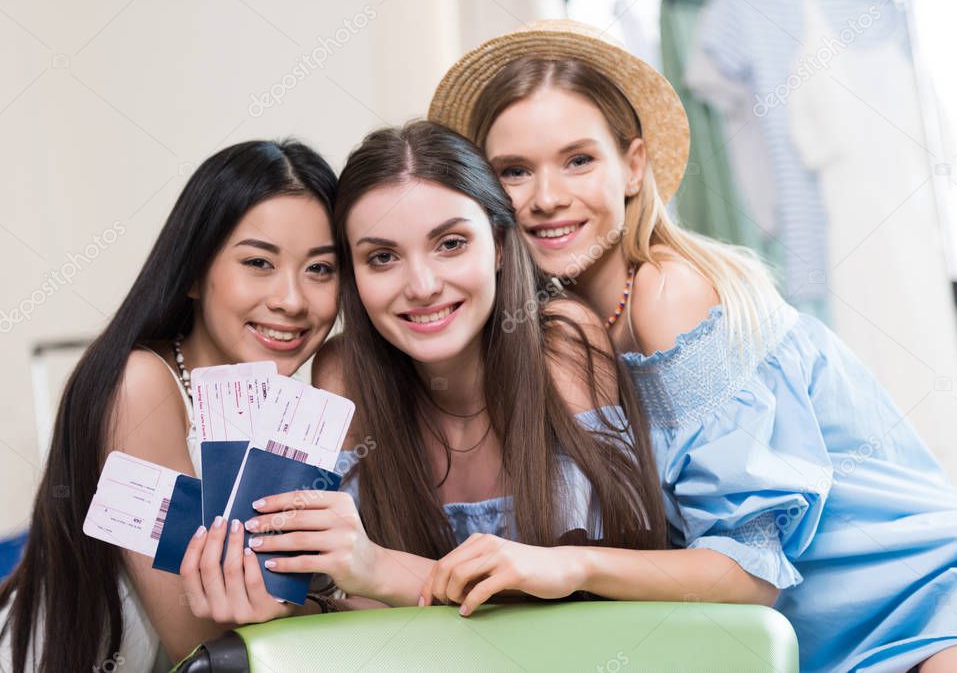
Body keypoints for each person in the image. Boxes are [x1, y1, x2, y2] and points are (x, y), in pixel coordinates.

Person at [428, 19, 957, 673]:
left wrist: (567, 565)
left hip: (931, 595)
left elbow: (750, 570)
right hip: (804, 647)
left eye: (578, 160)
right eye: (514, 171)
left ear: (631, 166)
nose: (546, 197)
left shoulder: (667, 292)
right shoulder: (552, 336)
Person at [199, 121, 694, 618]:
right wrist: (281, 609)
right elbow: (369, 616)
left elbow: (592, 601)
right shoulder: (344, 372)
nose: (422, 285)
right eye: (382, 257)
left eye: (451, 244)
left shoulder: (561, 340)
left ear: (500, 245)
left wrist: (380, 567)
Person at [0, 139, 340, 672]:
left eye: (320, 269)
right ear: (193, 275)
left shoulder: (288, 407)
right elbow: (199, 643)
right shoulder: (141, 385)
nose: (292, 300)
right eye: (258, 262)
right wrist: (332, 593)